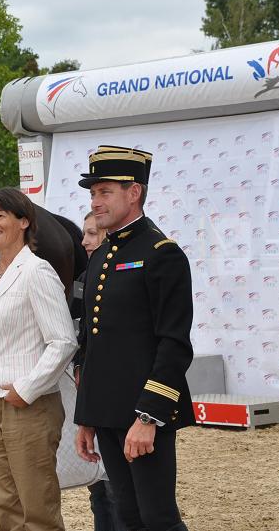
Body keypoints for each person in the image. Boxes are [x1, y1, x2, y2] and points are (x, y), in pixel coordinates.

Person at [73, 145, 194, 531]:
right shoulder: (101, 254)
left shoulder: (162, 254)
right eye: (93, 193)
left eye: (105, 191)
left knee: (157, 517)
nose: (96, 201)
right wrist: (88, 418)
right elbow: (92, 342)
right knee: (125, 514)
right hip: (107, 412)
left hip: (144, 412)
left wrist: (148, 417)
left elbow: (174, 344)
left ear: (134, 192)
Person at [0, 187, 77, 531]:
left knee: (38, 509)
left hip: (30, 405)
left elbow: (63, 341)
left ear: (24, 222)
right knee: (6, 507)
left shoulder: (38, 272)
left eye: (1, 216)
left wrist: (27, 388)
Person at [73, 211, 123, 531]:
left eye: (92, 234)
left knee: (119, 488)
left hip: (116, 393)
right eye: (84, 234)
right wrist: (78, 365)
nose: (85, 241)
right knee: (98, 490)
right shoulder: (80, 279)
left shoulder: (119, 276)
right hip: (88, 391)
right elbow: (80, 335)